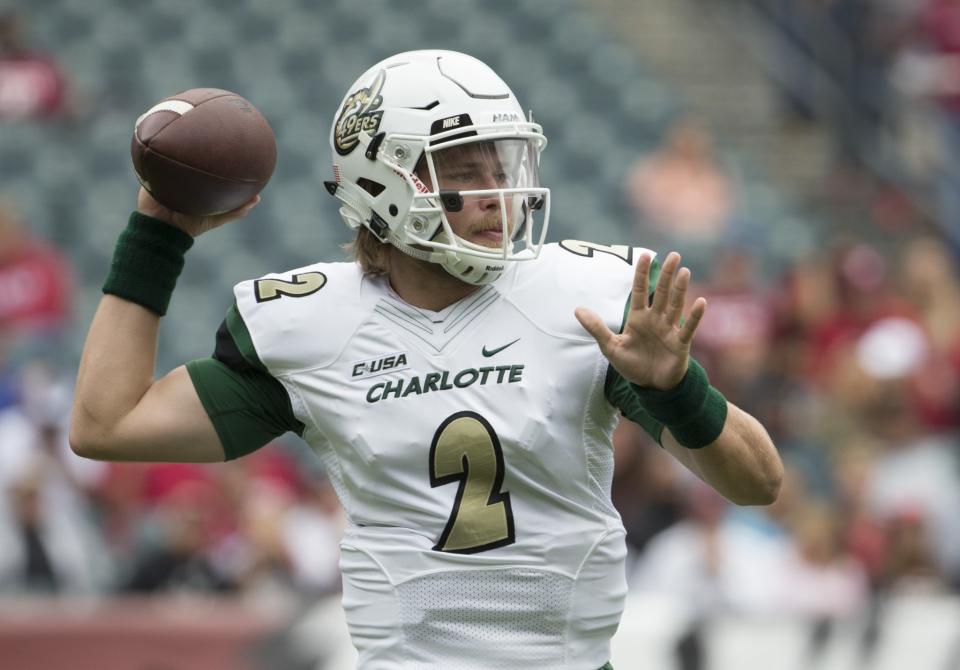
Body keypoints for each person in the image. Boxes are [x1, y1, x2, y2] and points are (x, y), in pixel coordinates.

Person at [70, 50, 783, 669]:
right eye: (463, 170)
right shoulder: (310, 327)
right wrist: (159, 231)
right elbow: (108, 423)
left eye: (503, 164)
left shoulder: (584, 301)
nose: (499, 197)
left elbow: (758, 482)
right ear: (381, 181)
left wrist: (675, 386)